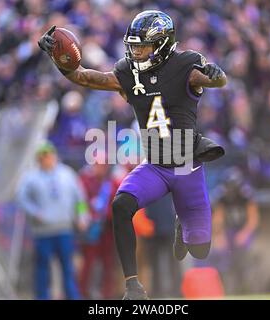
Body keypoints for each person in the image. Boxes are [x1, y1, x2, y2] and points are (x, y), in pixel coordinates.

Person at [38, 10, 227, 299]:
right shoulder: (128, 72)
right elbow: (86, 77)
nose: (136, 52)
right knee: (121, 204)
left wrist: (214, 75)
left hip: (187, 166)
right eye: (133, 46)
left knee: (199, 248)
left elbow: (213, 80)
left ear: (163, 44)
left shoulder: (186, 64)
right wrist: (62, 61)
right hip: (156, 166)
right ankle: (133, 285)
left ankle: (183, 223)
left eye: (143, 46)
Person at [16, 142, 89, 300]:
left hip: (64, 229)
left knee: (68, 267)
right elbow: (22, 199)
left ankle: (72, 296)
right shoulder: (31, 178)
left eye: (49, 156)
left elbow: (80, 198)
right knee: (42, 268)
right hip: (43, 231)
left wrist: (82, 216)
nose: (47, 160)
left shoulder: (67, 174)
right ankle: (42, 296)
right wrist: (35, 213)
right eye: (43, 157)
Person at [207, 167, 260, 295]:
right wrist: (219, 236)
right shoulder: (221, 196)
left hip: (243, 229)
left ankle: (245, 289)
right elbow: (218, 219)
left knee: (243, 259)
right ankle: (224, 290)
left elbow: (253, 219)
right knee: (221, 257)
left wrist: (244, 233)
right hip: (228, 230)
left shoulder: (246, 195)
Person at [78, 158, 119, 299]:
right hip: (91, 229)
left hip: (107, 229)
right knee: (88, 263)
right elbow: (79, 201)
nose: (100, 167)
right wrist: (83, 216)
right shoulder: (85, 181)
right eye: (98, 164)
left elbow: (117, 204)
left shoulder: (112, 182)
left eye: (103, 165)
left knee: (108, 264)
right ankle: (82, 293)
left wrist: (107, 213)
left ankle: (107, 294)